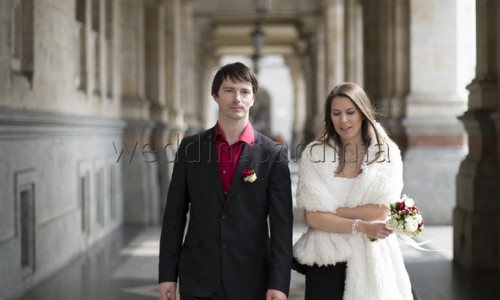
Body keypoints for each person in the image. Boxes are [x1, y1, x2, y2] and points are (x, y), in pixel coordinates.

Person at [158, 62, 294, 300]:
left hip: (252, 278)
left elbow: (282, 227)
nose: (237, 98)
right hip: (198, 276)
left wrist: (279, 283)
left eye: (244, 91)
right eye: (229, 90)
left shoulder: (273, 154)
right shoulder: (191, 148)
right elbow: (173, 216)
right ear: (215, 96)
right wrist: (167, 274)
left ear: (253, 98)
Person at [292, 82, 420, 299]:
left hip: (372, 257)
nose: (343, 120)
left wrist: (330, 212)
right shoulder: (313, 154)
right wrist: (360, 225)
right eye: (336, 113)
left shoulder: (387, 153)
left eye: (350, 112)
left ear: (363, 113)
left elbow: (379, 212)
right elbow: (312, 217)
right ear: (329, 117)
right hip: (326, 259)